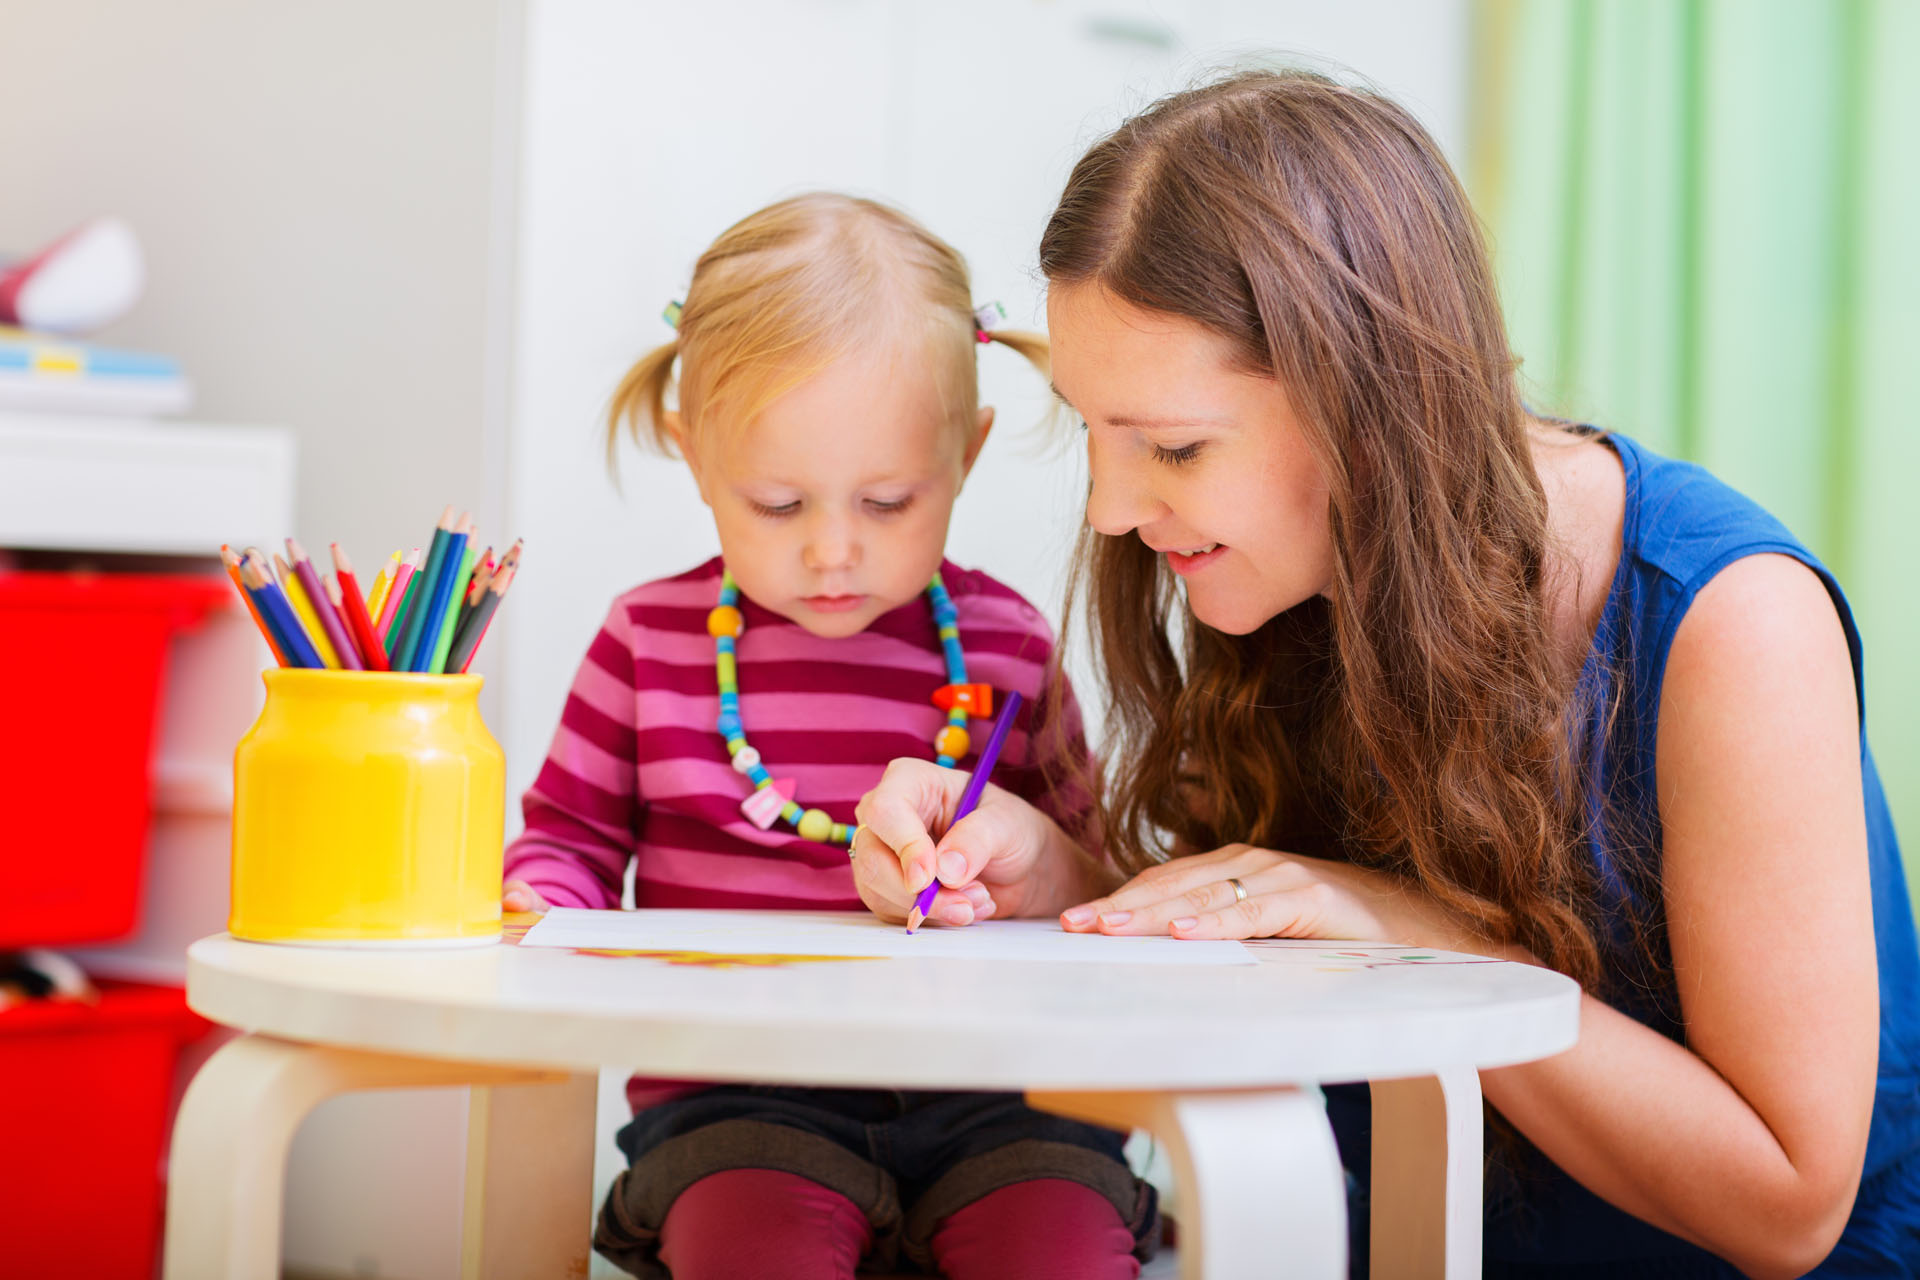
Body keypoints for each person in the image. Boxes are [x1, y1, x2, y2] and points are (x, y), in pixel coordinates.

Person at [852, 71, 1920, 1276]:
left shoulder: (1734, 621)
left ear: (1367, 399)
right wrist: (1066, 881)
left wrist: (1418, 940)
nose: (1109, 509)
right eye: (1089, 428)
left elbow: (1787, 1203)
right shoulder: (1288, 576)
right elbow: (1292, 921)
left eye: (1176, 446)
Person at [501, 192, 1156, 1280]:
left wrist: (1031, 881)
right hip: (738, 1097)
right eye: (778, 503)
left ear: (969, 454)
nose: (834, 552)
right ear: (694, 455)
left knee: (1067, 1250)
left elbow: (1090, 888)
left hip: (1001, 1099)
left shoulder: (1004, 645)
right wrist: (541, 908)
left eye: (890, 501)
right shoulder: (648, 641)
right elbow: (563, 844)